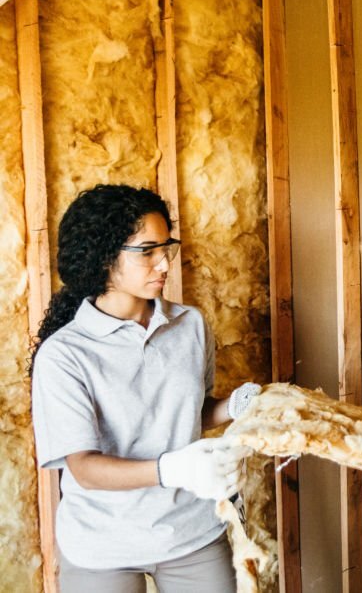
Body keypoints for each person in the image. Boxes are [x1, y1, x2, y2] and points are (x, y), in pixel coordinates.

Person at [31, 184, 262, 592]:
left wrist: (234, 406)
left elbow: (189, 410)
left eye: (166, 249)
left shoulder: (190, 325)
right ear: (104, 258)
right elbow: (83, 467)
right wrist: (171, 469)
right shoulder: (65, 355)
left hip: (190, 531)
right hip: (102, 545)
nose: (164, 264)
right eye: (147, 251)